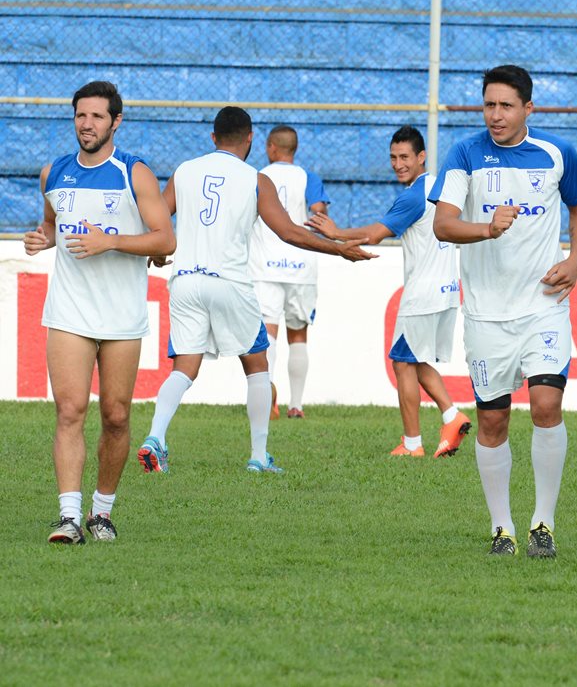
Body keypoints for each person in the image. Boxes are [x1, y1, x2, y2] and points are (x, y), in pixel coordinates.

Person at [136, 107, 373, 475]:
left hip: (185, 281)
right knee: (257, 364)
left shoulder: (185, 171)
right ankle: (259, 456)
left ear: (213, 138)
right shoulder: (255, 178)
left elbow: (157, 218)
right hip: (229, 281)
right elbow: (289, 231)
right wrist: (338, 248)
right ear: (249, 139)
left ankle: (155, 438)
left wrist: (154, 251)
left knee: (184, 366)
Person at [430, 64, 577, 559]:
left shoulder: (556, 154)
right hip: (485, 314)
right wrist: (486, 228)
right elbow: (442, 225)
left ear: (528, 107)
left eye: (505, 105)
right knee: (493, 422)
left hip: (542, 306)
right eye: (488, 105)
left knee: (547, 406)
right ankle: (502, 529)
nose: (495, 115)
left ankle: (543, 523)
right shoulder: (464, 154)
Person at [24, 80, 176, 544]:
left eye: (96, 116)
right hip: (68, 311)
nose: (86, 124)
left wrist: (111, 240)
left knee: (115, 415)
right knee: (69, 411)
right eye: (79, 116)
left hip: (121, 314)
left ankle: (101, 513)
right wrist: (42, 239)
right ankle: (69, 517)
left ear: (116, 121)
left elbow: (165, 240)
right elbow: (51, 226)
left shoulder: (134, 173)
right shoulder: (54, 173)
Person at [307, 125, 470, 458]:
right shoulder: (439, 185)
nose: (398, 164)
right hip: (447, 289)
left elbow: (375, 233)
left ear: (421, 157)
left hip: (422, 292)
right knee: (415, 359)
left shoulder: (413, 195)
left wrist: (336, 233)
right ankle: (452, 417)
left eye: (405, 157)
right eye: (393, 157)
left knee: (401, 361)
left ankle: (412, 444)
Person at [249, 125, 330, 419]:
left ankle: (267, 398)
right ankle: (296, 404)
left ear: (271, 147)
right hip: (301, 265)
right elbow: (319, 211)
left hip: (264, 266)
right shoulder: (308, 177)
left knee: (268, 331)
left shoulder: (258, 176)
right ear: (294, 149)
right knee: (298, 335)